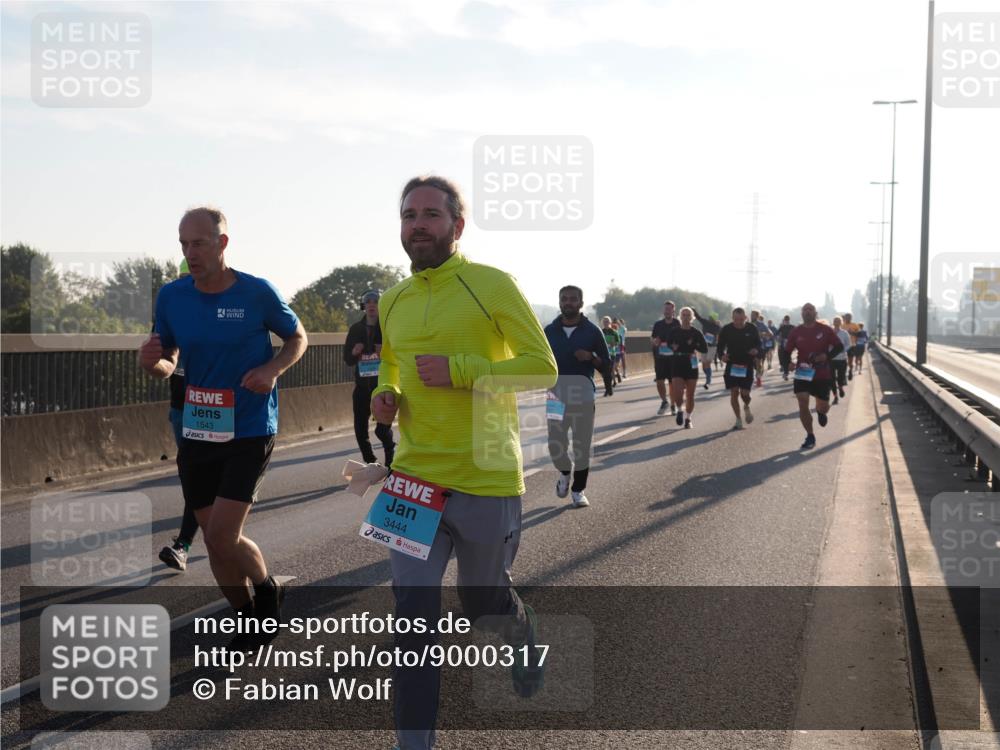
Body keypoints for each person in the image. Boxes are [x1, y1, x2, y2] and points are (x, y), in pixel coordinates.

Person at [369, 176, 557, 750]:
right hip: (412, 480)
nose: (418, 225)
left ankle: (519, 629)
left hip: (485, 475)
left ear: (458, 224)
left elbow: (542, 367)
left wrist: (462, 370)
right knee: (412, 621)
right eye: (409, 215)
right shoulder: (392, 300)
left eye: (431, 214)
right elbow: (392, 365)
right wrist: (385, 394)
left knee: (482, 603)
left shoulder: (491, 285)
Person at [140, 206, 307, 646]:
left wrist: (272, 369)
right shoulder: (172, 297)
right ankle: (247, 615)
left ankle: (266, 589)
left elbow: (297, 337)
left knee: (220, 534)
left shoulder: (256, 292)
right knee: (215, 544)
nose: (190, 253)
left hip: (250, 429)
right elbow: (168, 360)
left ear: (222, 243)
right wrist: (153, 363)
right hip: (198, 430)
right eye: (183, 244)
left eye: (198, 243)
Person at [544, 286, 610, 508]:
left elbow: (607, 366)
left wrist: (591, 357)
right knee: (555, 444)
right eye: (564, 299)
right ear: (559, 302)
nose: (568, 302)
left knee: (582, 445)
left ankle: (578, 490)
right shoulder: (549, 331)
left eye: (573, 299)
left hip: (583, 396)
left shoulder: (592, 331)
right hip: (555, 396)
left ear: (581, 303)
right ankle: (565, 471)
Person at [158, 259, 201, 572]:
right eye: (184, 278)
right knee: (192, 477)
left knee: (197, 477)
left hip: (210, 408)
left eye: (193, 277)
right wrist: (152, 362)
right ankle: (218, 528)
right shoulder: (172, 311)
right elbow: (163, 358)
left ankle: (183, 545)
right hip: (179, 407)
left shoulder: (220, 313)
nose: (189, 283)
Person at [343, 289, 395, 467]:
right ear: (363, 306)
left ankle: (390, 460)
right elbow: (347, 360)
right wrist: (354, 352)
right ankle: (371, 462)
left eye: (375, 301)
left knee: (382, 430)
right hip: (362, 387)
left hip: (382, 386)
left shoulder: (387, 327)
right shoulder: (356, 329)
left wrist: (384, 353)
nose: (372, 305)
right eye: (368, 301)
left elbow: (398, 355)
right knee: (360, 428)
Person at [784, 303, 844, 449]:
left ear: (815, 313)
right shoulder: (796, 331)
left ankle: (820, 412)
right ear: (802, 313)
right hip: (802, 372)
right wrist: (788, 363)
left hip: (822, 374)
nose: (808, 312)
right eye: (805, 310)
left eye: (810, 310)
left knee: (823, 407)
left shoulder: (825, 329)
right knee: (802, 401)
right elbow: (786, 351)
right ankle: (810, 435)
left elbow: (839, 347)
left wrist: (826, 356)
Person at [716, 307, 760, 430]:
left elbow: (758, 343)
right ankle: (738, 419)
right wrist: (722, 356)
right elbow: (720, 346)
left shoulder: (752, 328)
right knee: (734, 392)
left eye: (741, 319)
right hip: (732, 364)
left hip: (747, 364)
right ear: (732, 318)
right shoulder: (726, 329)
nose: (739, 322)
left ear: (745, 318)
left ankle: (746, 406)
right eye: (736, 319)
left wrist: (756, 350)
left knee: (745, 394)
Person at [665, 307, 708, 428]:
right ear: (680, 316)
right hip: (677, 362)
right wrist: (672, 347)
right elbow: (668, 343)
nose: (685, 317)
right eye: (683, 315)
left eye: (688, 315)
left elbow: (704, 348)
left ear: (692, 317)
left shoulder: (696, 332)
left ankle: (688, 418)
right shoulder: (674, 331)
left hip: (691, 363)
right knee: (678, 393)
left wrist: (693, 344)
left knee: (690, 394)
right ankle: (679, 410)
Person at [651, 301, 681, 415]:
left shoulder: (678, 323)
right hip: (660, 357)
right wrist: (655, 342)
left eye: (669, 309)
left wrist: (677, 345)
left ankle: (673, 405)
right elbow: (653, 339)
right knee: (659, 381)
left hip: (674, 358)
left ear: (673, 310)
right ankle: (664, 401)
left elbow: (682, 338)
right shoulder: (658, 324)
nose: (667, 311)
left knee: (672, 383)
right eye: (665, 309)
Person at [692, 308, 722, 389]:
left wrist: (719, 344)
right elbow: (698, 317)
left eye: (711, 318)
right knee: (703, 365)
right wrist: (693, 310)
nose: (710, 319)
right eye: (709, 317)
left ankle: (708, 380)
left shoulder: (717, 327)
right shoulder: (705, 323)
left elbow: (721, 336)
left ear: (715, 319)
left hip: (713, 347)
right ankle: (708, 375)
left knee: (708, 362)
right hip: (704, 346)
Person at [831, 316, 850, 404]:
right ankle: (835, 397)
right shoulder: (829, 332)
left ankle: (840, 387)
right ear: (833, 322)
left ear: (841, 322)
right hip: (831, 358)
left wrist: (843, 350)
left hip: (842, 358)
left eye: (838, 321)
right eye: (835, 321)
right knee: (831, 379)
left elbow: (848, 344)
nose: (836, 322)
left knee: (840, 377)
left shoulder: (844, 333)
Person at [750, 310, 772, 387]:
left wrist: (762, 334)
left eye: (753, 315)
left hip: (759, 346)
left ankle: (758, 379)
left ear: (757, 316)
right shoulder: (748, 324)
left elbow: (770, 334)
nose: (751, 316)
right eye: (751, 315)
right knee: (752, 364)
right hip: (749, 346)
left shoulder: (761, 324)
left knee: (758, 362)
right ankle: (757, 372)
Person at [600, 317, 621, 394]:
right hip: (603, 354)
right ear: (602, 323)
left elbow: (618, 342)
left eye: (607, 321)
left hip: (612, 353)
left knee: (610, 370)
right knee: (604, 371)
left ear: (610, 322)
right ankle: (610, 385)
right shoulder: (601, 332)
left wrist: (613, 344)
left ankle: (609, 387)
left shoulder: (614, 332)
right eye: (604, 321)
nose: (606, 323)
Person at [842, 312, 861, 379]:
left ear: (851, 318)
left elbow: (859, 334)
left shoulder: (855, 325)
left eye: (849, 317)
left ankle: (850, 370)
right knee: (843, 361)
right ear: (845, 318)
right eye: (847, 317)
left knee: (850, 360)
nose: (848, 319)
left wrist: (852, 332)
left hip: (852, 345)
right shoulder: (842, 325)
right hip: (843, 346)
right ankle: (844, 373)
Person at [776, 315, 795, 380]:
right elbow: (776, 333)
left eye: (787, 320)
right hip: (784, 344)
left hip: (789, 344)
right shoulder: (783, 327)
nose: (786, 321)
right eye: (786, 320)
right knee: (785, 357)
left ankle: (786, 372)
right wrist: (778, 339)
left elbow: (796, 334)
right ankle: (786, 370)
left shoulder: (791, 327)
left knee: (785, 357)